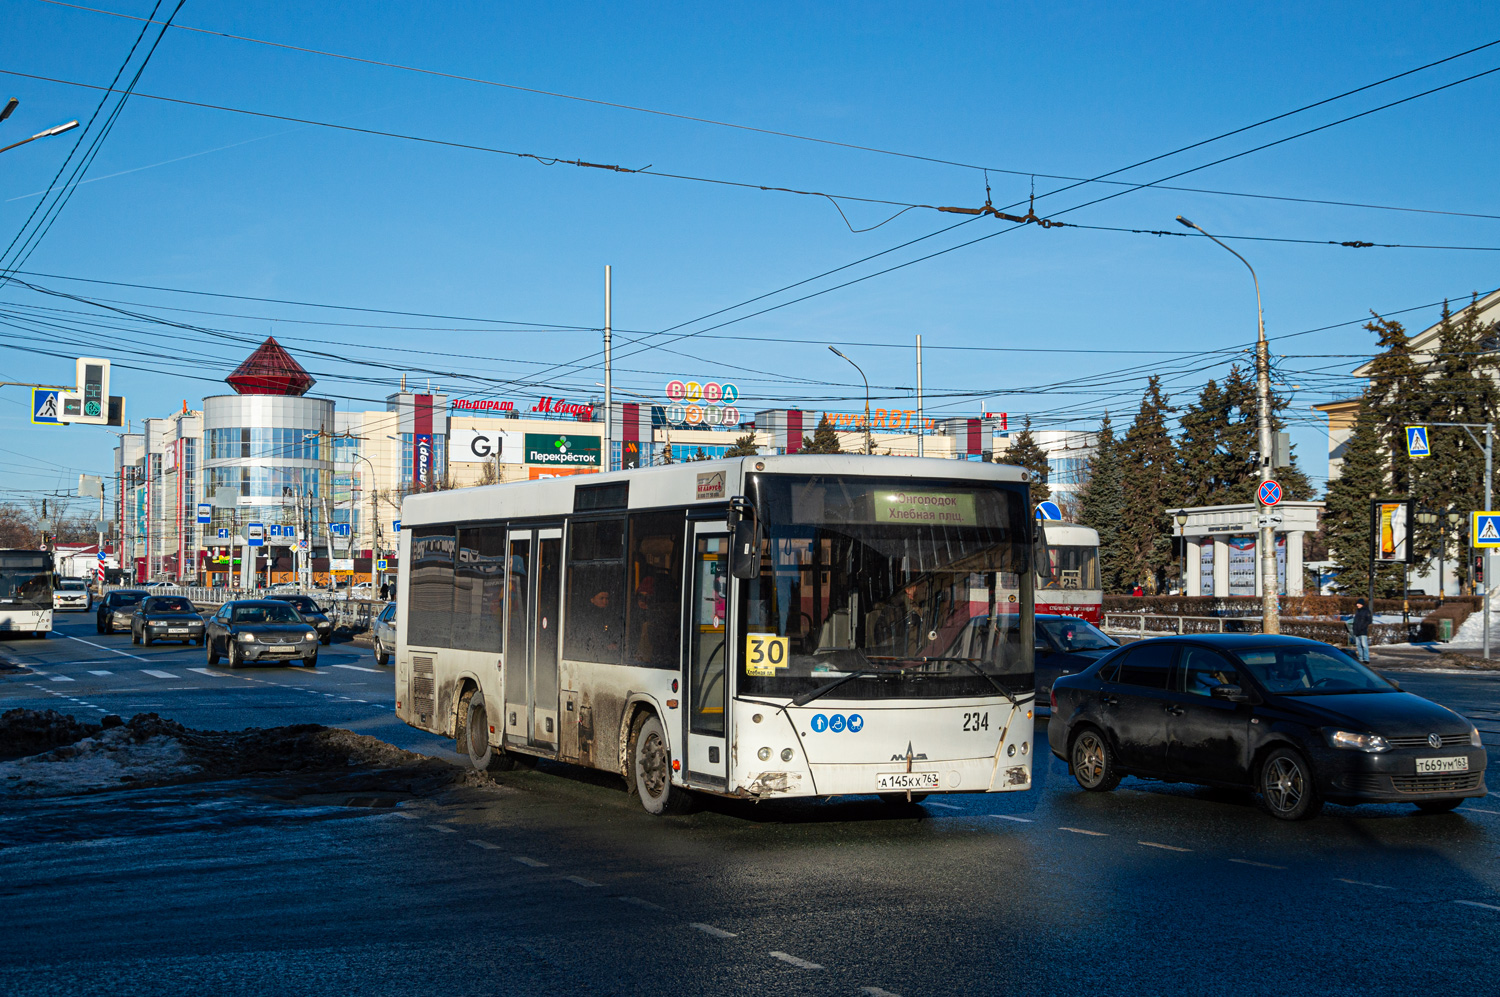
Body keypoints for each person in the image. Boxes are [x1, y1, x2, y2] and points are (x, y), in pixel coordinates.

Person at [1351, 597, 1373, 664]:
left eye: (1358, 604)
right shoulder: (1358, 611)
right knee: (1358, 646)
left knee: (1364, 645)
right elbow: (1356, 621)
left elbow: (1369, 621)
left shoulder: (1366, 611)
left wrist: (1363, 627)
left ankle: (1366, 659)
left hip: (1362, 631)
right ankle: (1361, 658)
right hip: (1357, 631)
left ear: (1362, 604)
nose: (1357, 605)